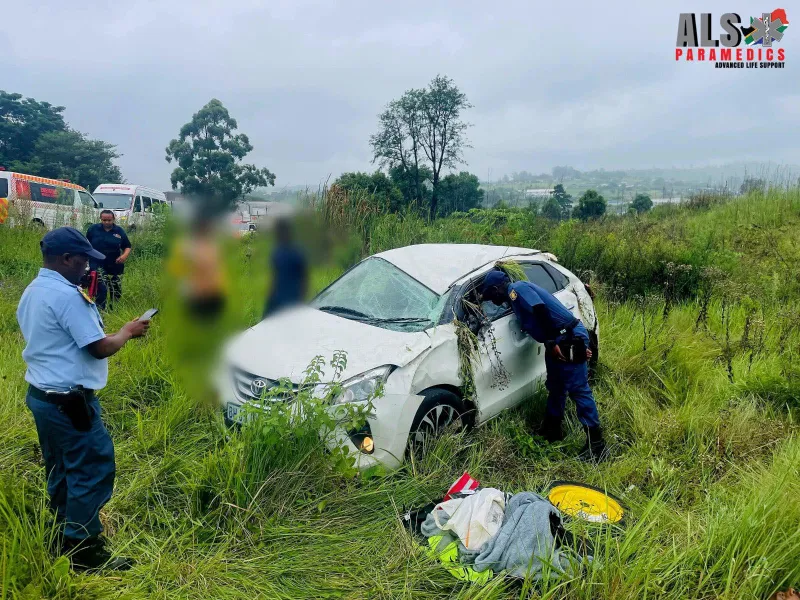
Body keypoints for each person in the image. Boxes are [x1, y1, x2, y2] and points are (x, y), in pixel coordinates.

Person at [16, 227, 149, 571]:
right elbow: (98, 348)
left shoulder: (34, 290)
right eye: (83, 260)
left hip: (44, 398)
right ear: (65, 259)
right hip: (70, 403)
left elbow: (64, 340)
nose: (88, 267)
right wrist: (126, 333)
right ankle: (84, 550)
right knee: (92, 467)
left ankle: (61, 532)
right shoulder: (66, 296)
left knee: (61, 466)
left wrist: (114, 332)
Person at [479, 269, 606, 460]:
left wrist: (553, 342)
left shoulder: (517, 288)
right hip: (558, 339)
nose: (493, 300)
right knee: (556, 386)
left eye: (491, 295)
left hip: (566, 337)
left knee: (578, 389)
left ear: (497, 289)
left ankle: (597, 445)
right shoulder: (514, 298)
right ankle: (552, 430)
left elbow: (540, 309)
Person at [85, 210, 132, 309]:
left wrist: (124, 256)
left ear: (113, 219)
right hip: (97, 262)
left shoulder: (119, 231)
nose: (107, 222)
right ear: (100, 219)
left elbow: (127, 246)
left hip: (115, 263)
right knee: (101, 285)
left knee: (115, 287)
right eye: (104, 220)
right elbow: (86, 244)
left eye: (109, 220)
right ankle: (100, 309)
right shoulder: (93, 229)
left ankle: (114, 308)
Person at [263, 217, 308, 318]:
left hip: (293, 298)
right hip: (278, 297)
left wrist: (301, 300)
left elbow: (304, 278)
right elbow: (274, 277)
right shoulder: (276, 253)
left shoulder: (297, 253)